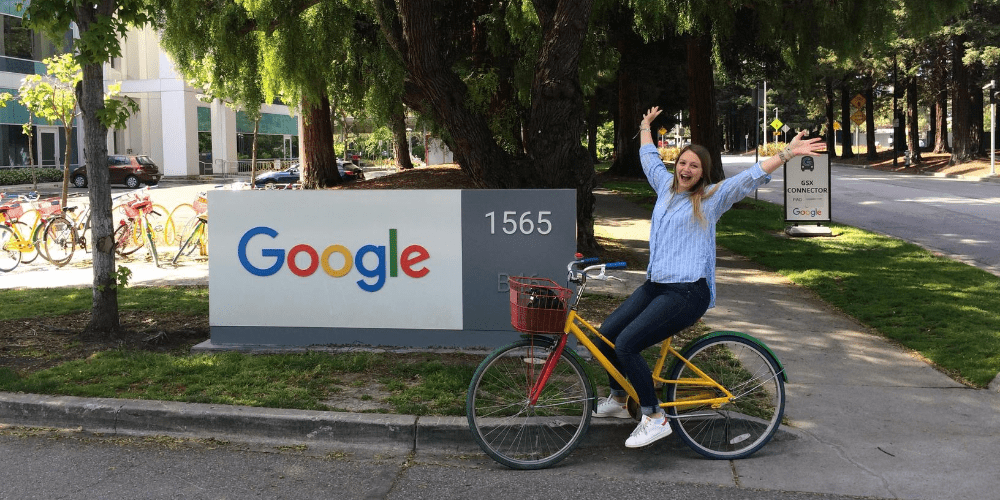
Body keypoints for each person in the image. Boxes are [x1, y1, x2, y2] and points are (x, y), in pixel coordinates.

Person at [592, 105, 824, 448]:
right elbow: (648, 158)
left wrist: (787, 153)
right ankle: (616, 397)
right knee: (607, 335)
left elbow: (747, 178)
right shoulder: (665, 189)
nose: (686, 168)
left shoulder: (711, 198)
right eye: (683, 162)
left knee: (628, 344)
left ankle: (655, 416)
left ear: (702, 173)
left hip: (686, 292)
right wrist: (644, 126)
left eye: (694, 166)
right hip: (657, 285)